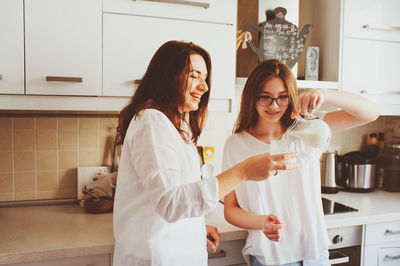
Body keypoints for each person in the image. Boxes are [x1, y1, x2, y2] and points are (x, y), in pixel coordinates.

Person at [113, 41, 297, 266]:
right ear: (168, 76)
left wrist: (195, 226)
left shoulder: (176, 124)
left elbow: (177, 194)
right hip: (156, 258)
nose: (204, 87)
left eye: (205, 78)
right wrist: (243, 171)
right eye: (194, 76)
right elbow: (170, 202)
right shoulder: (151, 121)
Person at [222, 59, 380, 266]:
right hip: (272, 257)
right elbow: (230, 209)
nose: (274, 106)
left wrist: (324, 94)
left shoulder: (308, 129)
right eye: (265, 98)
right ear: (252, 98)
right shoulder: (236, 144)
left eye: (282, 98)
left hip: (315, 255)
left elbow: (371, 112)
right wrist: (260, 222)